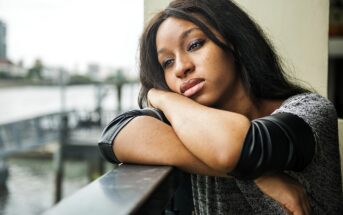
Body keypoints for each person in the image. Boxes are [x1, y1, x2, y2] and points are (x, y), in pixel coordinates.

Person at [98, 0, 343, 214]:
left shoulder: (311, 111)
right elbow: (114, 135)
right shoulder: (191, 127)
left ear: (234, 43)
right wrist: (258, 174)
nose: (181, 68)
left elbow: (239, 149)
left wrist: (161, 97)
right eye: (167, 62)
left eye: (194, 45)